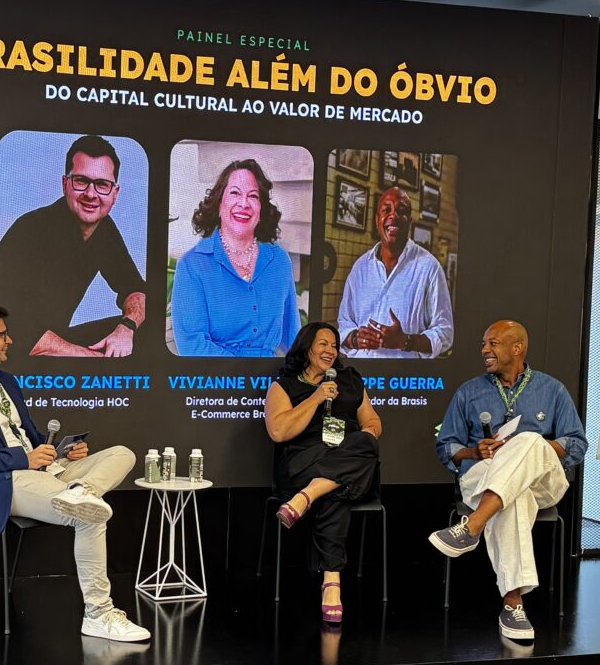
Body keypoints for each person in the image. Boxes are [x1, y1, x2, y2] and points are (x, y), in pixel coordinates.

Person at [0, 304, 149, 642]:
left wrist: (63, 450)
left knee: (122, 454)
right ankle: (98, 614)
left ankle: (81, 489)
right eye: (1, 335)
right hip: (0, 482)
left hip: (47, 472)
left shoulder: (7, 382)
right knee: (90, 517)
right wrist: (24, 460)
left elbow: (32, 438)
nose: (10, 340)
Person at [430, 320, 587, 642]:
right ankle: (513, 604)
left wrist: (533, 446)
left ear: (517, 348)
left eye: (493, 343)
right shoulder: (469, 392)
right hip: (483, 473)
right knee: (513, 501)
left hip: (542, 480)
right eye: (484, 344)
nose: (485, 350)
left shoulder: (552, 389)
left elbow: (577, 444)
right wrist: (475, 450)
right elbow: (447, 446)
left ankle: (471, 526)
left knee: (528, 439)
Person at [264, 322, 382, 623]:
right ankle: (332, 583)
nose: (331, 351)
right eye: (323, 344)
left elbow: (372, 423)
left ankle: (309, 496)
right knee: (338, 487)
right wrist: (316, 398)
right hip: (305, 461)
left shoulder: (351, 381)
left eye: (334, 345)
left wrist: (360, 441)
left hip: (349, 458)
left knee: (365, 444)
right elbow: (278, 432)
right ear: (306, 347)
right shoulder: (284, 386)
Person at [0, 135, 145, 357]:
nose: (91, 194)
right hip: (12, 352)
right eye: (81, 181)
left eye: (102, 184)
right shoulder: (30, 229)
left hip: (58, 340)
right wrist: (88, 357)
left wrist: (127, 328)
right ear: (65, 184)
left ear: (115, 193)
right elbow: (5, 327)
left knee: (147, 329)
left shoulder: (104, 229)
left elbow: (135, 288)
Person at [171, 159, 301, 357]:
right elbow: (192, 345)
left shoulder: (279, 261)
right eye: (235, 193)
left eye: (253, 196)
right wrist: (244, 375)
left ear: (261, 208)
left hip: (270, 383)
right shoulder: (192, 266)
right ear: (219, 203)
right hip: (217, 382)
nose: (244, 204)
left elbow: (294, 339)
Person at [337, 186, 453, 358]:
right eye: (386, 210)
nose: (393, 216)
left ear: (410, 222)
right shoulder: (360, 268)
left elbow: (445, 334)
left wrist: (405, 341)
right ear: (377, 220)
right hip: (361, 377)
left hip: (405, 379)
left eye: (402, 211)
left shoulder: (430, 268)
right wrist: (355, 338)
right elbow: (344, 324)